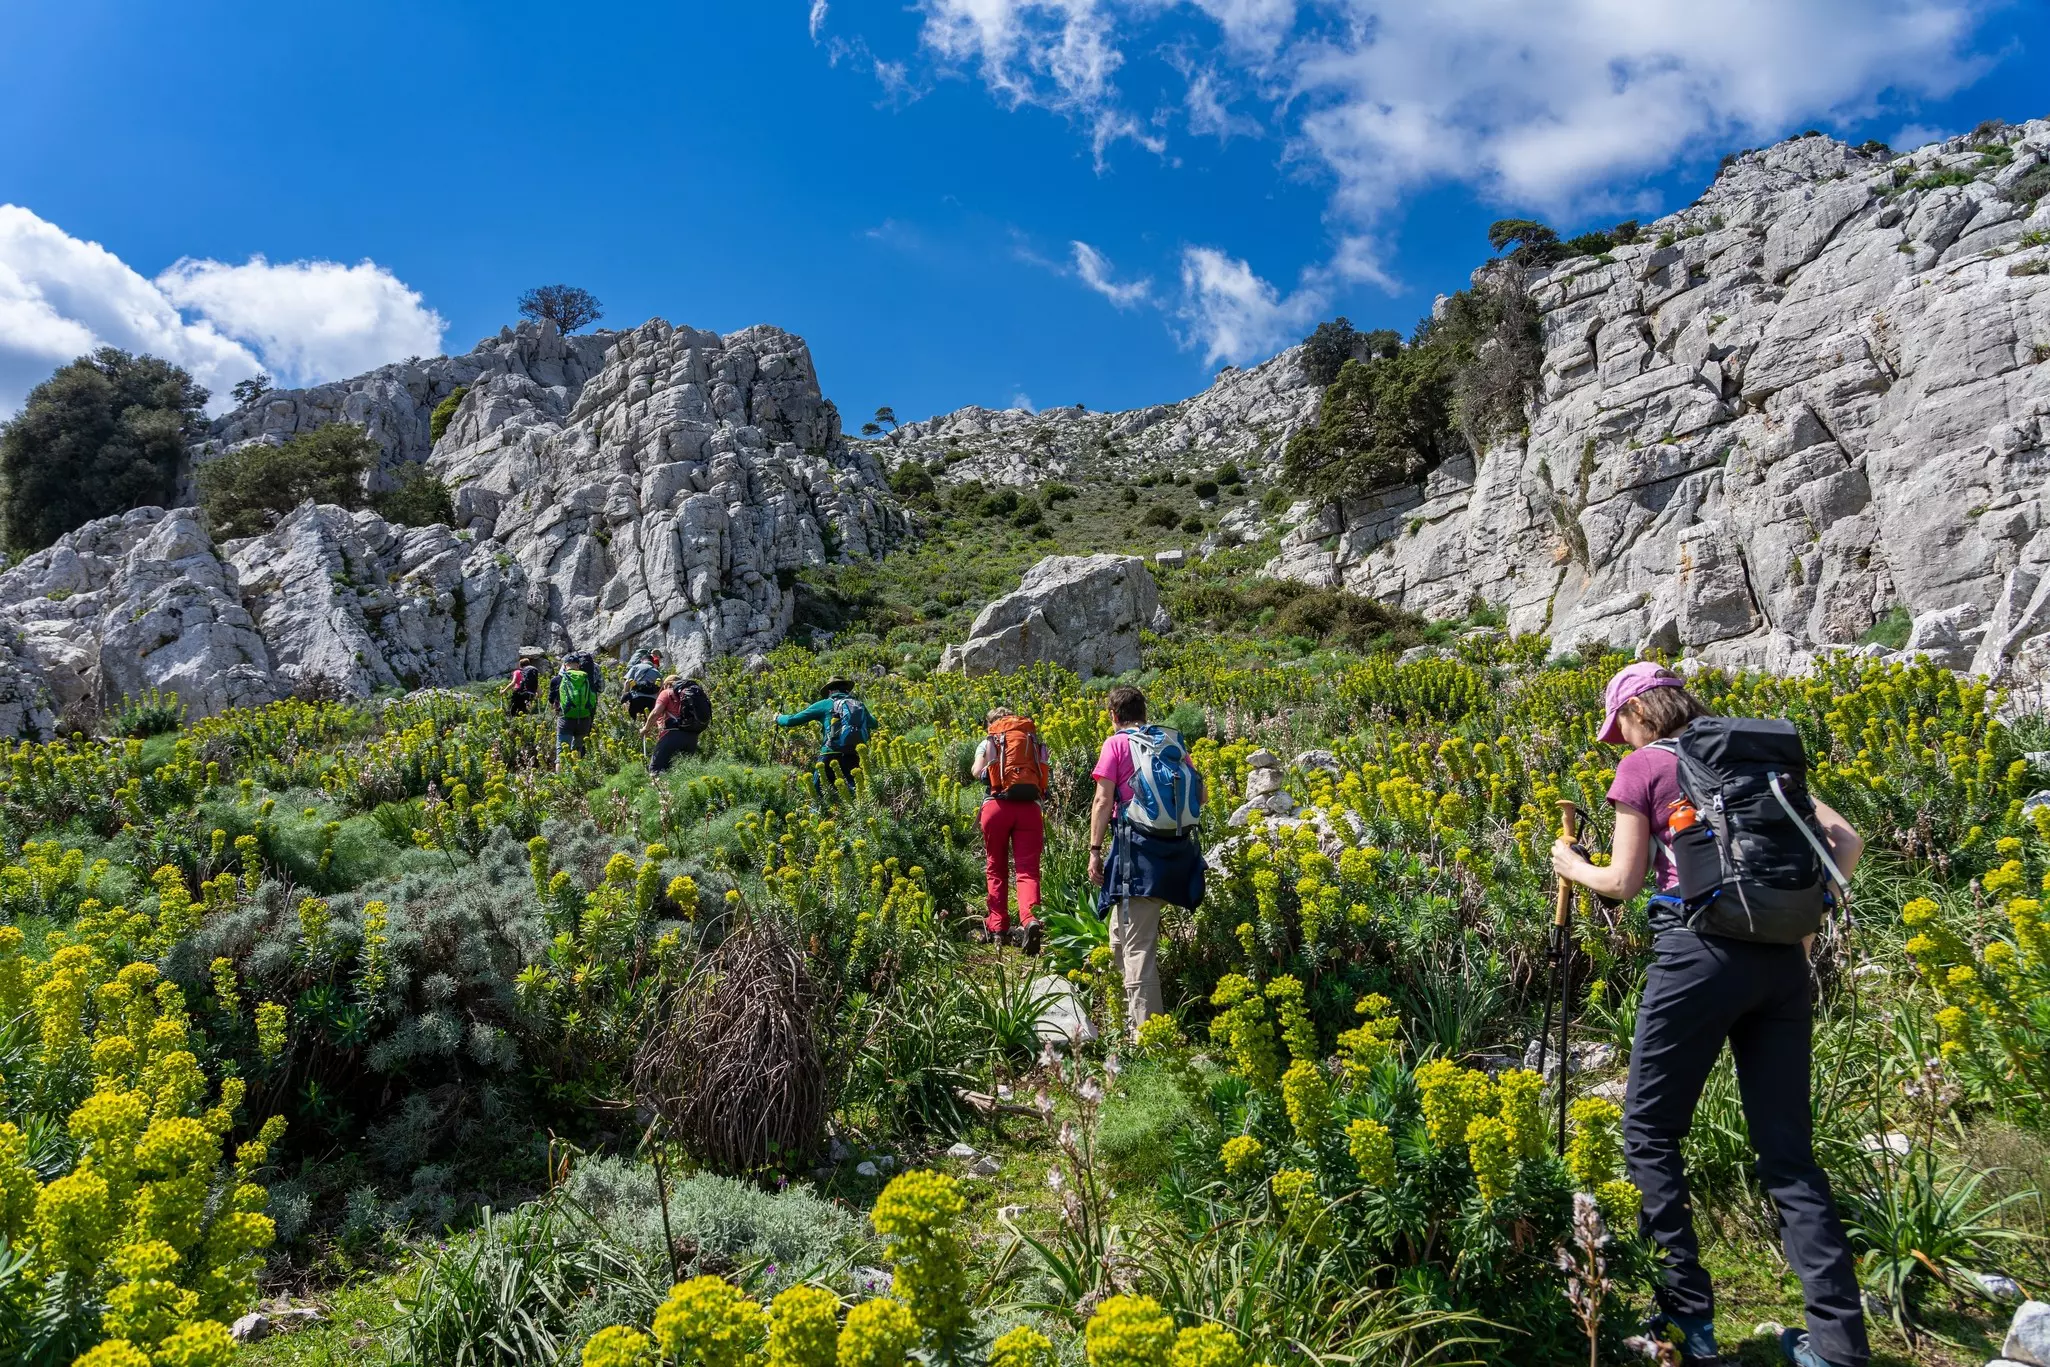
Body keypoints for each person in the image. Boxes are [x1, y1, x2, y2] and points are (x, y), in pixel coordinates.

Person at [1552, 662, 1868, 1367]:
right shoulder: (1754, 757)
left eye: (1618, 727)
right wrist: (1801, 915)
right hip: (1782, 963)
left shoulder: (1644, 765)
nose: (1618, 741)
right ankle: (1840, 1347)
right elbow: (1846, 842)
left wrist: (1571, 865)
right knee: (1789, 1154)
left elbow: (1623, 882)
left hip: (1696, 958)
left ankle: (1684, 1323)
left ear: (1636, 712)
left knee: (1651, 1131)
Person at [1086, 685, 1205, 1035]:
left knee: (1138, 946)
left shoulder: (1117, 744)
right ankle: (1122, 1024)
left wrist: (1094, 851)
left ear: (1113, 716)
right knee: (1120, 937)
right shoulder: (1170, 743)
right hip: (1173, 853)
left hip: (1136, 854)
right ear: (1144, 713)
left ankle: (1151, 1038)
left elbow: (1102, 801)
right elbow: (1202, 796)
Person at [971, 707, 1050, 953]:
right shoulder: (1031, 740)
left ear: (992, 724)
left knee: (996, 866)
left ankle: (997, 925)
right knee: (1028, 870)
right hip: (1030, 809)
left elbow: (976, 772)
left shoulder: (989, 741)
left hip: (996, 807)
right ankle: (1030, 920)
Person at [775, 679, 876, 796]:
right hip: (854, 753)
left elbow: (791, 720)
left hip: (829, 753)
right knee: (856, 793)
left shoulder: (825, 704)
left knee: (818, 794)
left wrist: (778, 718)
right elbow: (874, 723)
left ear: (830, 691)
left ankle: (819, 812)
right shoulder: (858, 705)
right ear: (847, 690)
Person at [645, 674, 712, 774]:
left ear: (667, 684)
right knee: (683, 772)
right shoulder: (689, 694)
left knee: (656, 770)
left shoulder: (666, 692)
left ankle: (659, 789)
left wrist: (645, 728)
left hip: (672, 735)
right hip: (692, 738)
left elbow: (655, 712)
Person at [549, 649, 603, 768]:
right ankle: (577, 775)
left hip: (565, 717)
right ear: (578, 665)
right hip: (585, 715)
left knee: (561, 752)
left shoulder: (560, 678)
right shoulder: (589, 673)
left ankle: (561, 779)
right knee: (578, 749)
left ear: (564, 665)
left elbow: (553, 697)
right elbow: (600, 688)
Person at [623, 649, 665, 719]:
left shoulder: (636, 667)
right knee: (646, 720)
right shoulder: (657, 672)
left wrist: (625, 695)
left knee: (633, 720)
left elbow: (627, 682)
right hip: (651, 700)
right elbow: (660, 688)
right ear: (652, 661)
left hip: (636, 698)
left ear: (642, 660)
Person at [504, 650, 542, 716]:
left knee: (512, 711)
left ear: (520, 665)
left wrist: (503, 691)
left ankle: (511, 722)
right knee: (524, 711)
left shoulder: (517, 672)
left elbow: (513, 683)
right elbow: (537, 687)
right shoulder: (531, 673)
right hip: (529, 693)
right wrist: (537, 694)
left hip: (518, 693)